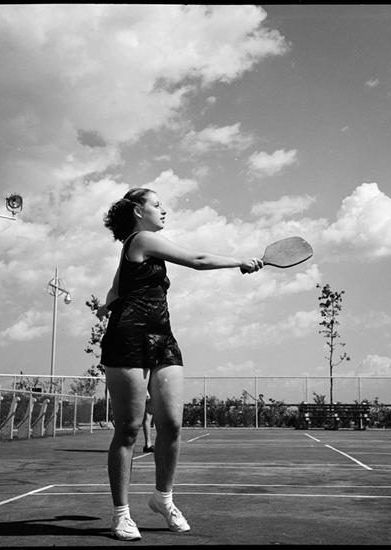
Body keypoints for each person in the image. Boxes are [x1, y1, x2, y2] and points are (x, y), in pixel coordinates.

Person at [99, 187, 263, 541]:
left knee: (172, 424)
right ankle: (121, 514)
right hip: (128, 339)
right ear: (138, 211)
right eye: (157, 204)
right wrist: (240, 261)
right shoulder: (141, 239)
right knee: (128, 430)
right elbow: (198, 259)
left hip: (163, 338)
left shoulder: (135, 249)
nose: (164, 210)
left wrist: (105, 305)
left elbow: (116, 289)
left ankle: (163, 499)